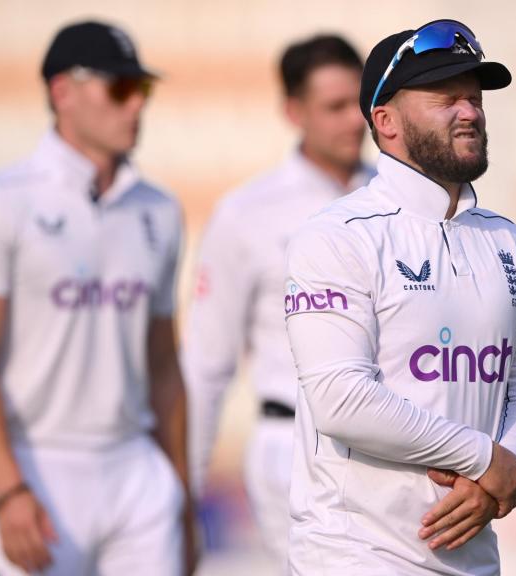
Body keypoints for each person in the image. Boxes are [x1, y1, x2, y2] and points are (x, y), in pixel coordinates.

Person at [283, 19, 516, 575]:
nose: (471, 112)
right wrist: (485, 461)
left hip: (470, 553)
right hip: (356, 552)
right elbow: (342, 400)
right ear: (385, 121)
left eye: (474, 98)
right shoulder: (340, 234)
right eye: (446, 98)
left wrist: (504, 471)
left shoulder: (506, 239)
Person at [0, 20, 195, 575]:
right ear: (63, 92)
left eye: (142, 90)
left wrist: (182, 497)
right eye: (120, 89)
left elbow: (163, 365)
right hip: (34, 464)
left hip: (133, 464)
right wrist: (8, 490)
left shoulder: (158, 209)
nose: (136, 107)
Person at [182, 34, 372, 567]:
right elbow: (206, 363)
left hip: (392, 449)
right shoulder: (246, 213)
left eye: (358, 104)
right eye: (333, 107)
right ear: (293, 111)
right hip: (293, 447)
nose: (353, 122)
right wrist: (184, 493)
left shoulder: (400, 200)